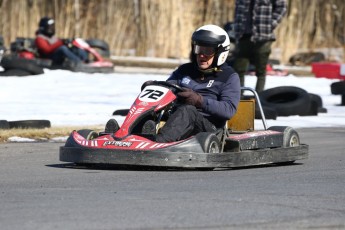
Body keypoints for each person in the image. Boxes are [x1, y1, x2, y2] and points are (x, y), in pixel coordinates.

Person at [106, 24, 241, 143]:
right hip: (177, 119)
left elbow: (228, 110)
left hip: (209, 128)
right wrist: (154, 87)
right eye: (199, 49)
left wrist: (199, 101)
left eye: (207, 51)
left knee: (188, 110)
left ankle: (159, 142)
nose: (201, 55)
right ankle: (122, 137)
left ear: (220, 52)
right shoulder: (185, 70)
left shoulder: (229, 76)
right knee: (151, 110)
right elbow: (168, 88)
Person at [232, 0, 287, 92]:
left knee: (261, 70)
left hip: (263, 35)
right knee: (238, 69)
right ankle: (239, 98)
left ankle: (259, 98)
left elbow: (282, 8)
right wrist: (236, 27)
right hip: (243, 35)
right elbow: (238, 10)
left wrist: (270, 24)